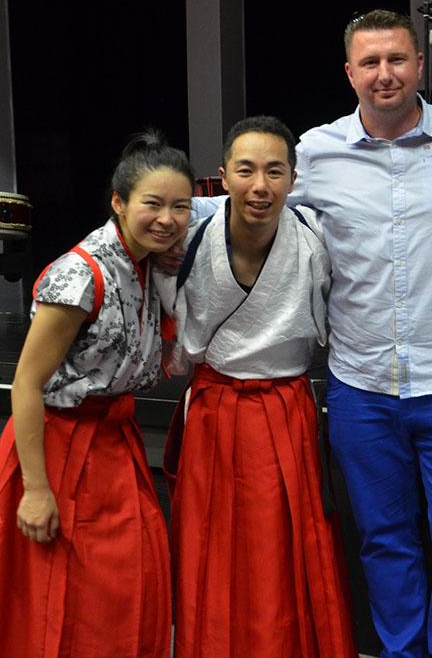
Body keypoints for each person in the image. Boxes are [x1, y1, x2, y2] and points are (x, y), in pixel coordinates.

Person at [290, 9, 432, 658]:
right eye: (370, 62)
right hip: (360, 383)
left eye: (396, 60)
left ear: (419, 64)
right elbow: (270, 232)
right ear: (350, 72)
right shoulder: (315, 151)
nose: (384, 73)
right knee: (384, 539)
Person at [0, 131, 193, 657]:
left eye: (180, 206)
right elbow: (26, 384)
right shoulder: (80, 274)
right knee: (59, 597)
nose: (167, 218)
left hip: (115, 439)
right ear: (119, 202)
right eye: (153, 204)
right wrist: (36, 490)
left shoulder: (148, 263)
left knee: (126, 587)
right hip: (59, 446)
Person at [163, 116, 356, 657]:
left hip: (284, 405)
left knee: (282, 549)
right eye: (245, 171)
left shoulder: (314, 238)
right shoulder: (187, 239)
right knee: (211, 546)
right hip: (214, 406)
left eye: (275, 171)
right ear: (222, 176)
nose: (260, 186)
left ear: (294, 179)